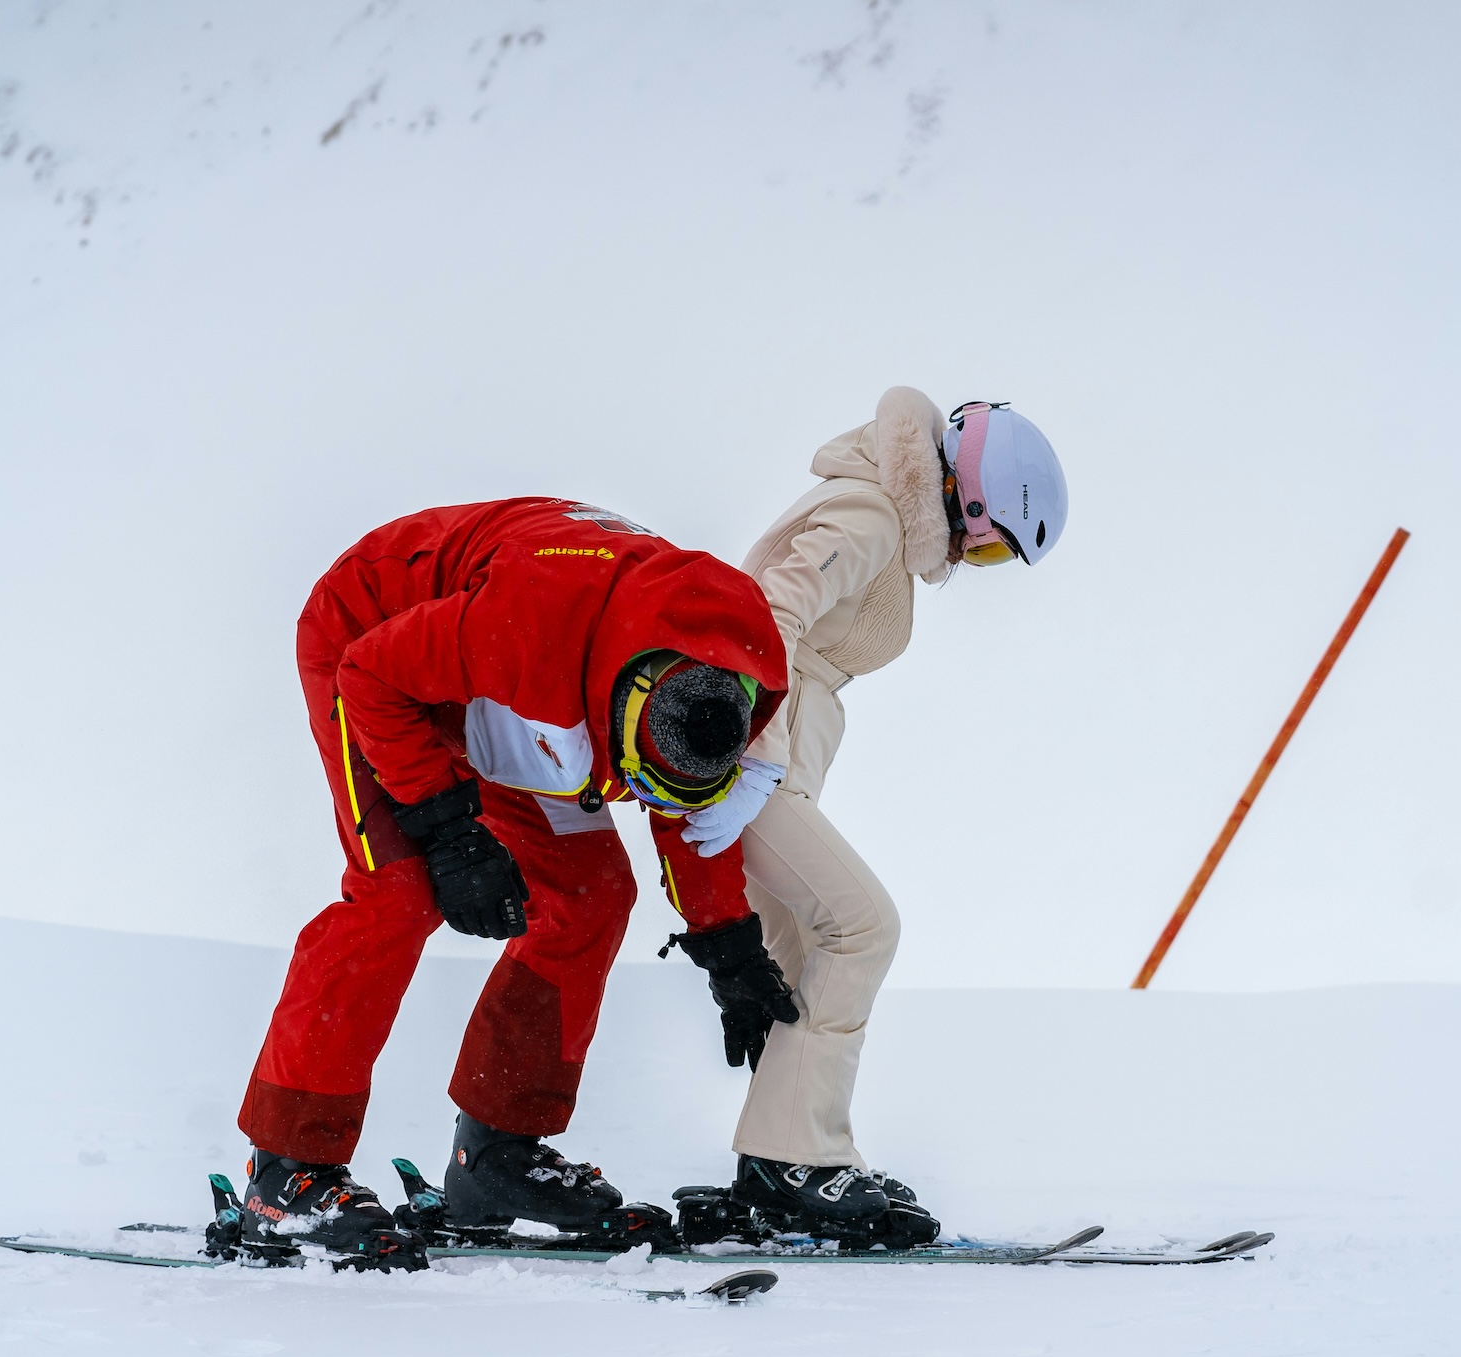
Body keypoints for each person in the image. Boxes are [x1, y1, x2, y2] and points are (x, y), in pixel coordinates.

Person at [235, 497, 802, 1269]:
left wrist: (727, 943)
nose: (643, 803)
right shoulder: (528, 624)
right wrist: (448, 830)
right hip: (374, 646)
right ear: (618, 714)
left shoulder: (719, 674)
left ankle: (494, 1156)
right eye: (633, 782)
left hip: (504, 694)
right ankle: (284, 1173)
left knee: (591, 892)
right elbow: (370, 674)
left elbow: (688, 814)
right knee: (400, 890)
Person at [671, 390, 1069, 1242]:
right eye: (993, 543)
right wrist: (759, 757)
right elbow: (768, 611)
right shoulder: (872, 513)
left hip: (774, 747)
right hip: (753, 743)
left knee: (809, 949)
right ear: (969, 495)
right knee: (863, 926)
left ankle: (784, 1161)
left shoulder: (881, 512)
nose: (975, 561)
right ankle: (796, 1161)